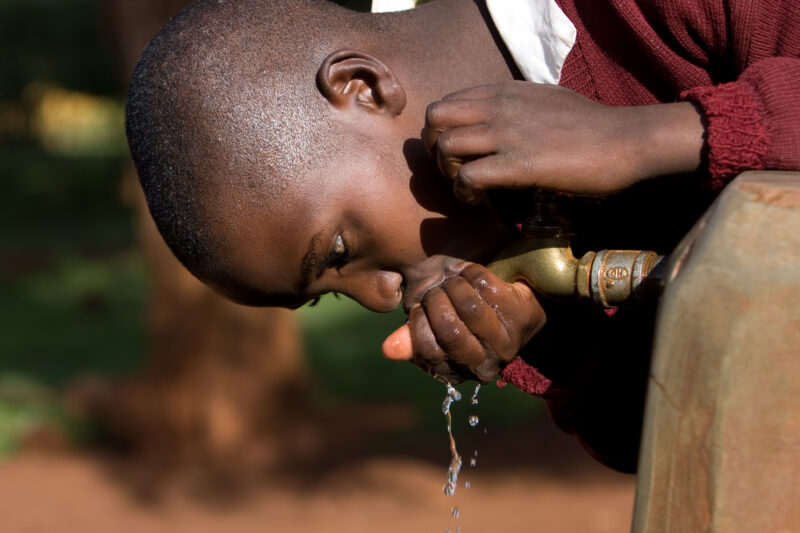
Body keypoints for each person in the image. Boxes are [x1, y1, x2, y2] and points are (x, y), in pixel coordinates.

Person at [125, 0, 800, 472]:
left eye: (338, 253)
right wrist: (555, 338)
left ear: (361, 86)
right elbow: (689, 452)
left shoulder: (629, 15)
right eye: (329, 295)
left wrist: (654, 137)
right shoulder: (524, 217)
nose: (382, 298)